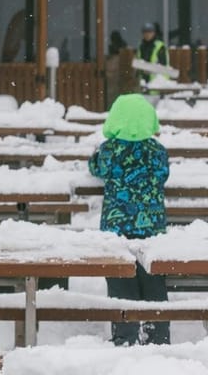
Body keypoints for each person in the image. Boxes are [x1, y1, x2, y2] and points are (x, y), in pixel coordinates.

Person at [88, 93, 170, 346]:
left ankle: (125, 335)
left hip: (118, 230)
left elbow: (95, 168)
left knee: (122, 281)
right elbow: (163, 174)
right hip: (151, 230)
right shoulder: (157, 152)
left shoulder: (110, 152)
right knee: (153, 281)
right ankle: (157, 333)